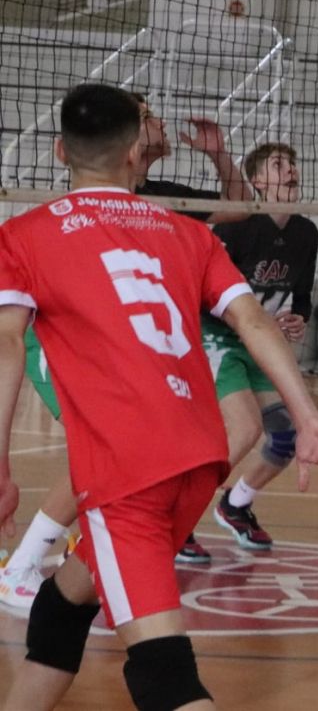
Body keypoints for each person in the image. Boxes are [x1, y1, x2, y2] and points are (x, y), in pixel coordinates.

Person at [0, 83, 318, 710]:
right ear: (138, 152)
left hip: (125, 477)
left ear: (58, 151)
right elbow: (254, 322)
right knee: (62, 605)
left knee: (163, 677)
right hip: (200, 455)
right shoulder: (188, 234)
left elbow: (6, 350)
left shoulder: (24, 236)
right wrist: (309, 417)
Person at [1, 93, 250, 606]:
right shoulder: (88, 200)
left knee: (162, 441)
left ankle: (83, 563)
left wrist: (218, 154)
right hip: (65, 335)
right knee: (101, 445)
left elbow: (239, 207)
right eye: (147, 116)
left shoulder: (164, 201)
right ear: (131, 144)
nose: (158, 122)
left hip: (132, 343)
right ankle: (23, 565)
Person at [204, 142, 318, 554]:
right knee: (245, 429)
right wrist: (255, 322)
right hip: (216, 336)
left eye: (293, 163)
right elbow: (202, 292)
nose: (290, 171)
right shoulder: (236, 227)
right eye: (278, 165)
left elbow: (302, 296)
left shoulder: (307, 231)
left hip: (258, 341)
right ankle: (175, 522)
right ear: (257, 182)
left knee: (285, 436)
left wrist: (298, 317)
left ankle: (237, 505)